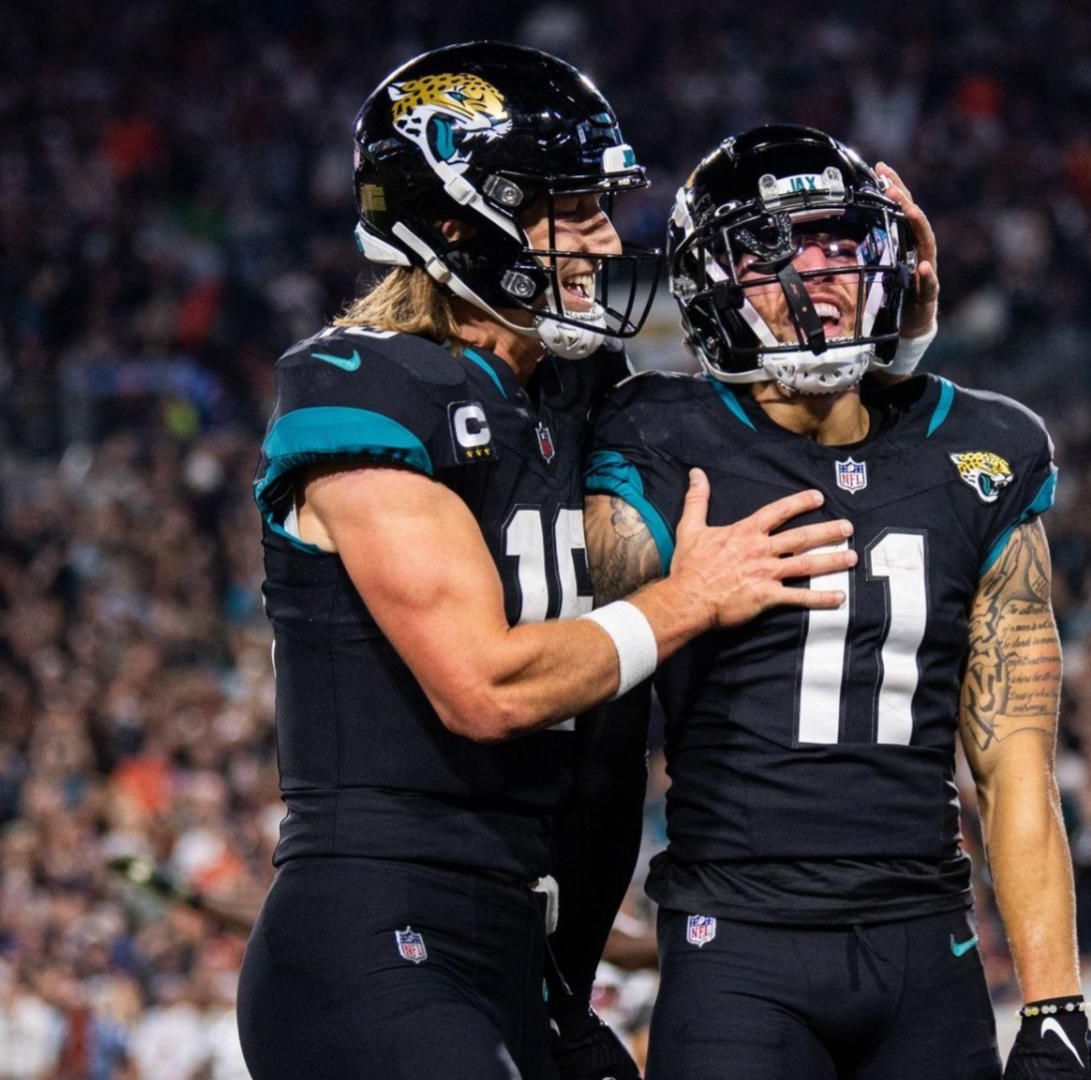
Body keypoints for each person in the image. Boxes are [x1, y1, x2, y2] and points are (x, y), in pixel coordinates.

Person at [234, 50, 858, 1080]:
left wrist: (903, 334)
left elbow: (778, 429)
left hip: (528, 950)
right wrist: (684, 602)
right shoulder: (358, 388)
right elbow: (483, 684)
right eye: (570, 210)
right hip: (382, 940)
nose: (607, 240)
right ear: (454, 221)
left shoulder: (574, 387)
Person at [582, 125, 1091, 1079]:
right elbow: (581, 690)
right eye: (774, 247)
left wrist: (1056, 1003)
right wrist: (681, 597)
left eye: (838, 239)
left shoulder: (981, 453)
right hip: (737, 941)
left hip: (925, 942)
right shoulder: (657, 435)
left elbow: (1014, 765)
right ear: (710, 279)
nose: (816, 270)